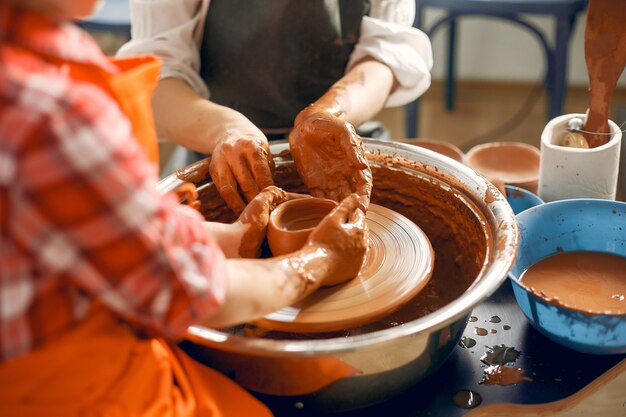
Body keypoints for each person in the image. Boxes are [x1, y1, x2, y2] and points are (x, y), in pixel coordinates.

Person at [0, 1, 368, 415]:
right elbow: (194, 293)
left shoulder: (41, 48)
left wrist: (232, 237)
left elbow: (80, 225)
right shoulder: (50, 112)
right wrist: (320, 259)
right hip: (68, 389)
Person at [118, 0, 433, 214]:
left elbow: (386, 55)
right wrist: (226, 129)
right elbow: (156, 78)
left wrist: (325, 117)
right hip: (223, 149)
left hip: (340, 143)